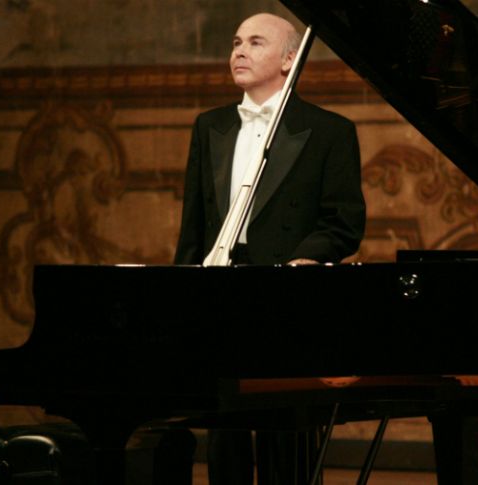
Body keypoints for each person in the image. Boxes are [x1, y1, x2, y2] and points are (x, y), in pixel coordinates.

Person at [173, 12, 366, 485]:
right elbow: (193, 224)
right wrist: (180, 289)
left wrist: (304, 259)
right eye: (236, 42)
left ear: (288, 60)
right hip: (218, 294)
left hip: (284, 296)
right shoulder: (210, 126)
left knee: (286, 441)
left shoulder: (329, 131)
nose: (239, 51)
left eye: (255, 42)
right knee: (225, 436)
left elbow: (343, 223)